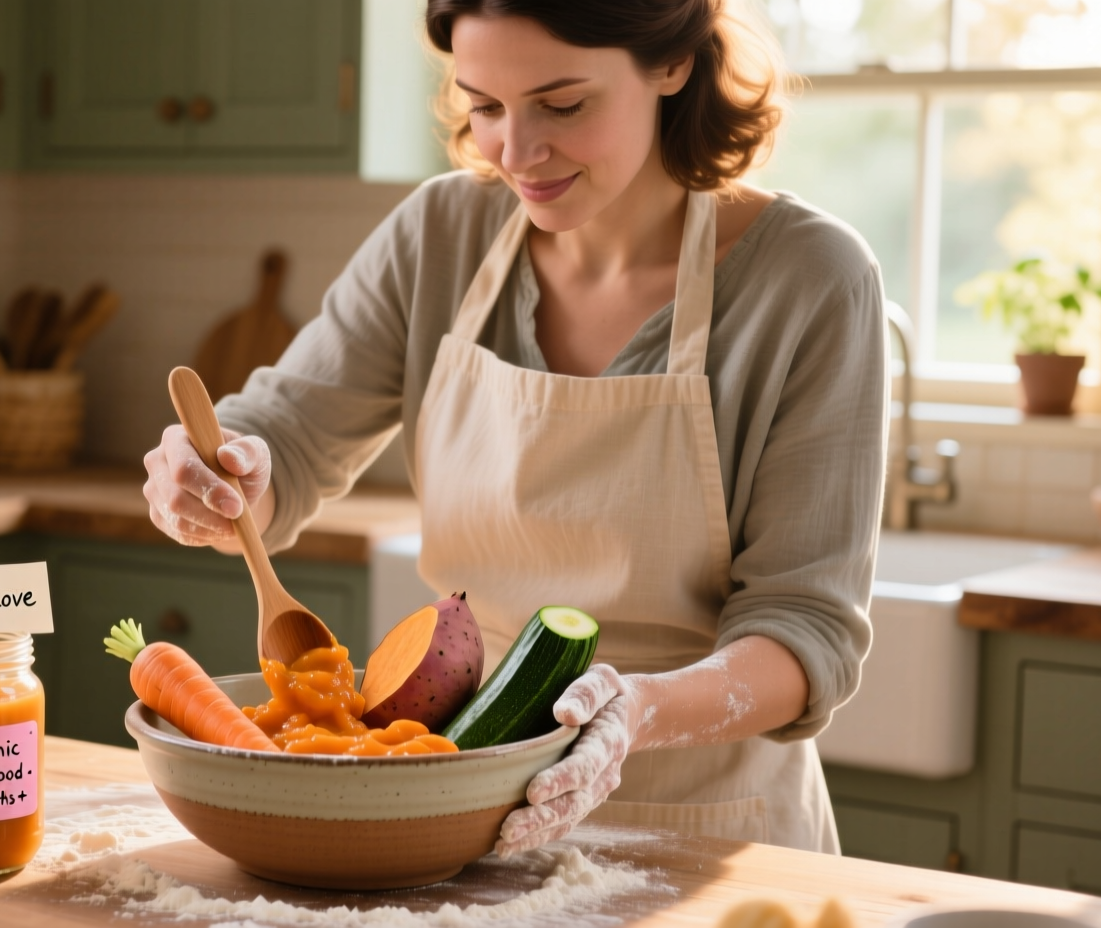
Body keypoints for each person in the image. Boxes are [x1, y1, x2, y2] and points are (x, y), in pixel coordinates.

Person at [143, 0, 883, 856]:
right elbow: (290, 434)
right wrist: (225, 474)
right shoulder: (441, 234)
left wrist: (633, 714)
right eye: (485, 106)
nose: (516, 153)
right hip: (465, 822)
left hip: (713, 835)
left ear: (673, 64)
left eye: (563, 106)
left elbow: (805, 635)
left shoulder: (811, 280)